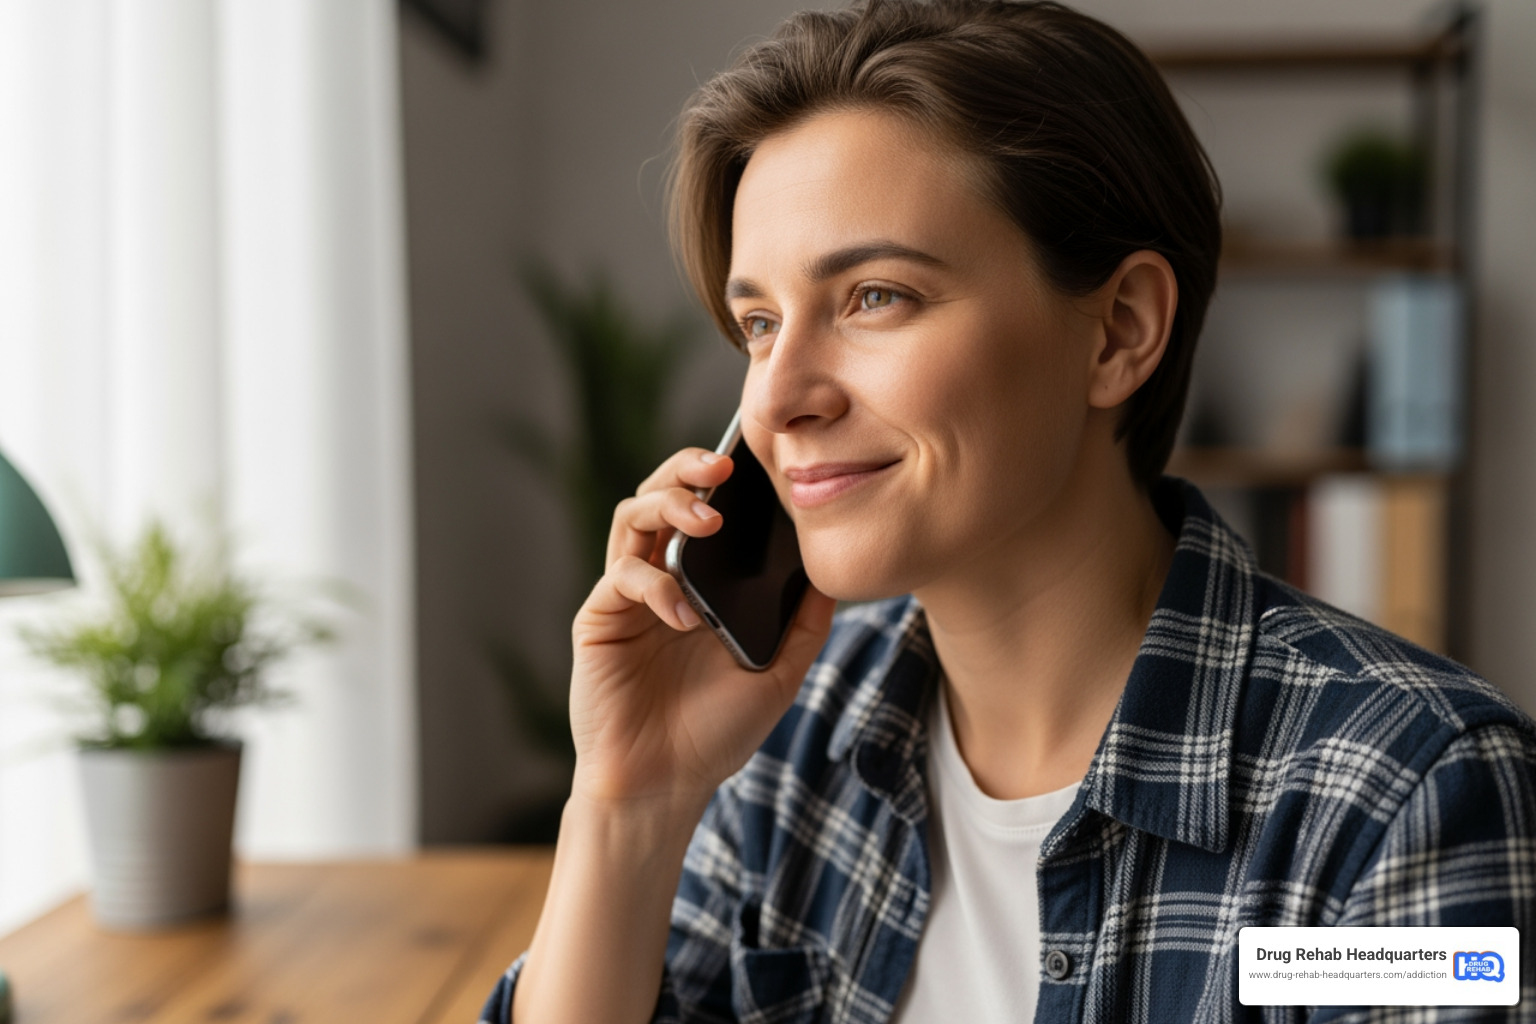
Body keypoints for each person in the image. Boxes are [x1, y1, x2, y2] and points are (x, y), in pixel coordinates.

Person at [481, 1, 1536, 1021]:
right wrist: (632, 803)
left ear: (1119, 330)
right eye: (759, 322)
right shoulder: (782, 739)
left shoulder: (1410, 796)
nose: (772, 399)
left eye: (874, 296)